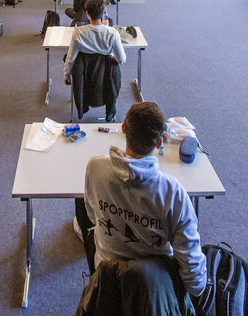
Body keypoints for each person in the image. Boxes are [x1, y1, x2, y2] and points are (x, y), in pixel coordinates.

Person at [74, 101, 207, 301]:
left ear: (124, 129)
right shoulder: (173, 193)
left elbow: (93, 216)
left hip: (106, 277)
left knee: (81, 206)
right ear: (161, 140)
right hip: (154, 290)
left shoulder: (96, 168)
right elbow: (195, 283)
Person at [63, 0, 125, 83]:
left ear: (87, 14)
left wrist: (67, 76)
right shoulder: (113, 33)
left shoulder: (78, 32)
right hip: (106, 78)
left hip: (84, 77)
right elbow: (121, 60)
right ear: (103, 13)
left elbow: (70, 58)